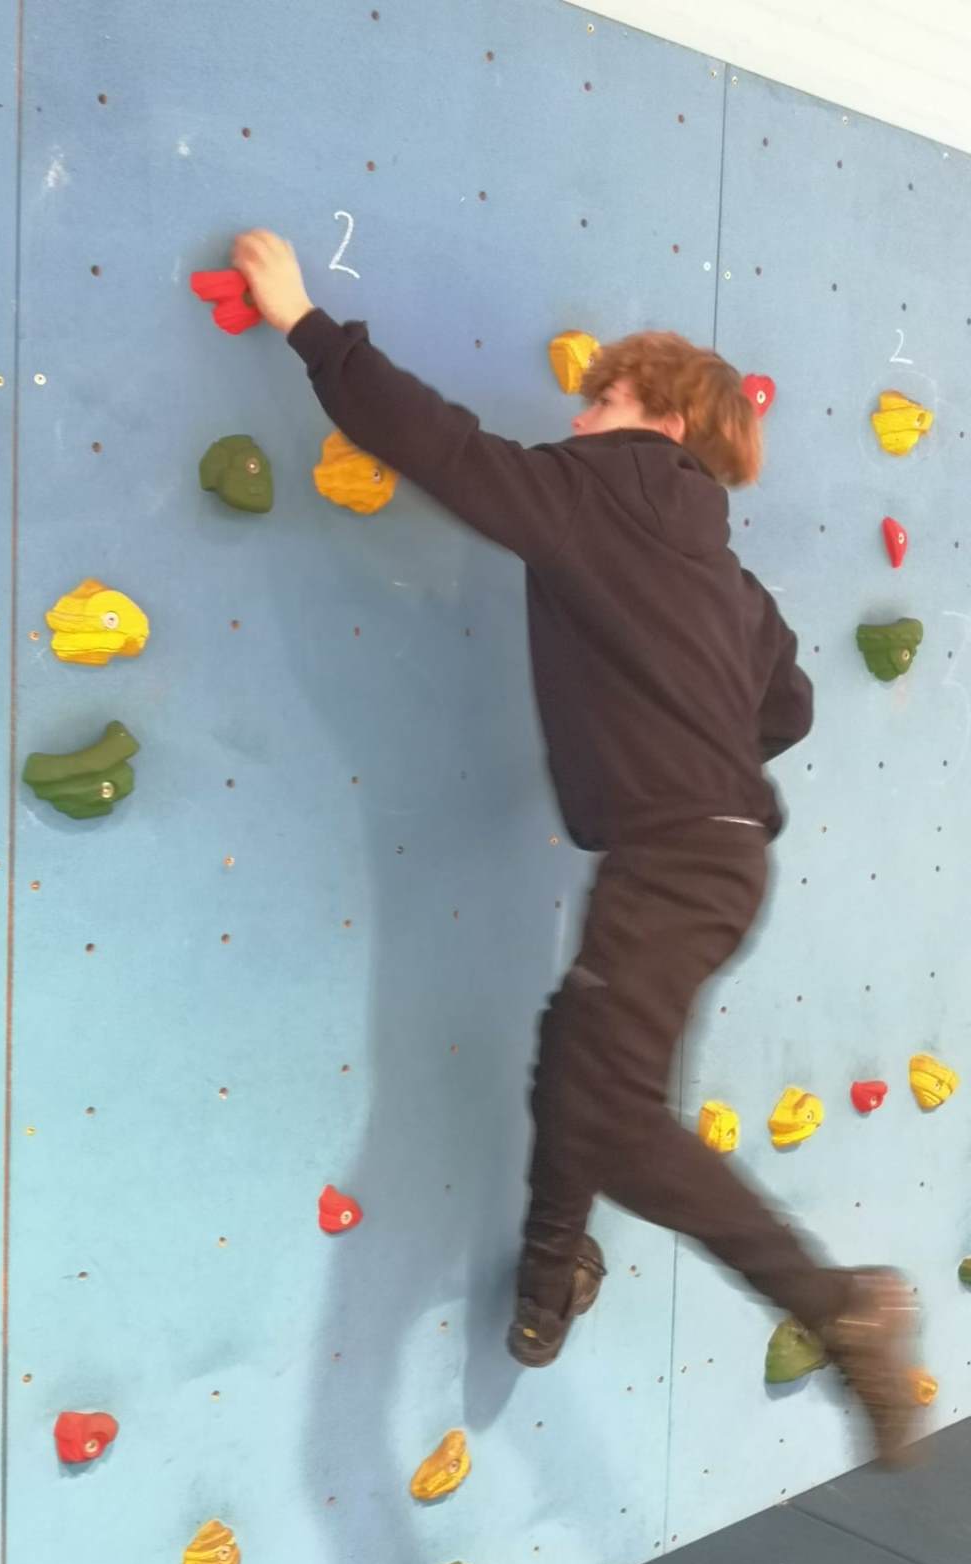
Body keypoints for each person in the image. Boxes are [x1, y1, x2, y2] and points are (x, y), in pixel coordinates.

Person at [231, 228, 921, 1465]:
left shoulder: (595, 492)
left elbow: (441, 447)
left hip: (672, 859)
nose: (577, 413)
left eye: (600, 397)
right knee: (578, 1059)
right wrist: (676, 737)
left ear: (661, 416)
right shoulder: (725, 572)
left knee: (613, 1111)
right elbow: (790, 706)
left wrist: (303, 322)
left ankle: (836, 1304)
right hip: (714, 862)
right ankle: (556, 1265)